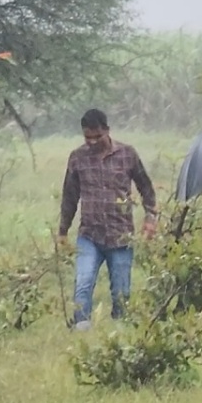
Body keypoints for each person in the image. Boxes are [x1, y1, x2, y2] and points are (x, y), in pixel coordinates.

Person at [58, 109, 158, 329]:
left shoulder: (127, 154)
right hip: (89, 235)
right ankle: (81, 329)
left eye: (97, 137)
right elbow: (69, 197)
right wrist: (63, 231)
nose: (92, 142)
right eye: (88, 137)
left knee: (121, 292)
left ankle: (120, 334)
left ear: (107, 131)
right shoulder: (77, 158)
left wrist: (150, 218)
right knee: (83, 283)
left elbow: (146, 188)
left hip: (121, 237)